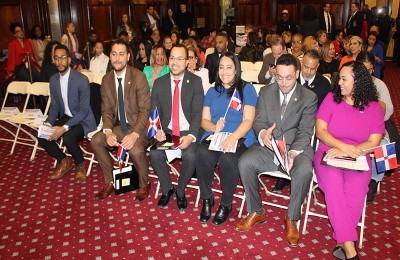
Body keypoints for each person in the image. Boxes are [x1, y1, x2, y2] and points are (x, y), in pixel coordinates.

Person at [235, 54, 317, 249]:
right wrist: (263, 134)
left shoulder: (309, 97)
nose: (284, 82)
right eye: (279, 77)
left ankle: (292, 218)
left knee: (304, 170)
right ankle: (257, 210)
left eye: (288, 77)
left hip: (296, 149)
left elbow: (306, 132)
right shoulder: (266, 91)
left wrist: (293, 153)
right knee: (245, 162)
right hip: (271, 147)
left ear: (297, 73)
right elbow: (259, 121)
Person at [313, 60, 384, 259]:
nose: (339, 83)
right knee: (334, 186)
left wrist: (349, 151)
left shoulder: (375, 108)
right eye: (339, 78)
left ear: (359, 82)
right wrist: (341, 147)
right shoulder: (331, 99)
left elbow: (374, 141)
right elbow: (321, 131)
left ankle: (343, 240)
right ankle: (350, 249)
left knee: (355, 192)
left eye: (344, 79)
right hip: (328, 153)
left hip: (359, 157)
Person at [196, 52, 257, 226]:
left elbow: (248, 120)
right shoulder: (212, 91)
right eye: (221, 67)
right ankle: (207, 199)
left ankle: (226, 204)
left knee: (228, 159)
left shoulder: (246, 89)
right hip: (216, 136)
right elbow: (204, 120)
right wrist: (214, 128)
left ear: (236, 69)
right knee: (202, 153)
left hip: (240, 136)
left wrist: (233, 138)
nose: (224, 71)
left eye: (229, 67)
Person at [91, 39, 151, 201]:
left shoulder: (138, 77)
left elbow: (145, 110)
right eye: (114, 54)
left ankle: (144, 183)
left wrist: (135, 134)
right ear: (110, 56)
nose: (117, 58)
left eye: (121, 54)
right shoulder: (106, 80)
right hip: (119, 126)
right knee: (96, 140)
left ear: (128, 56)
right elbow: (106, 110)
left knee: (135, 149)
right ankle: (110, 181)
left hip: (139, 126)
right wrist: (108, 130)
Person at [149, 44, 204, 211]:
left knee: (191, 156)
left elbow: (197, 114)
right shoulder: (159, 83)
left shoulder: (195, 82)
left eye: (180, 58)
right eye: (172, 58)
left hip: (187, 130)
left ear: (187, 62)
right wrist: (156, 129)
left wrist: (191, 136)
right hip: (167, 131)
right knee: (154, 153)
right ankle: (167, 190)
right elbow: (153, 111)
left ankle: (180, 192)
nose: (175, 62)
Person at [38, 44, 96, 183]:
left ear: (69, 60)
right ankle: (64, 160)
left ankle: (80, 164)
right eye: (56, 58)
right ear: (53, 60)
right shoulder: (53, 80)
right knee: (42, 135)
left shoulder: (81, 79)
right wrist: (48, 124)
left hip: (84, 119)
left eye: (63, 58)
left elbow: (84, 111)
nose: (60, 61)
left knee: (67, 136)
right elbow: (54, 107)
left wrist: (63, 127)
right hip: (67, 116)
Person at [356, 51, 393, 203]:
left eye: (370, 70)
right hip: (353, 127)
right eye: (363, 69)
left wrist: (375, 105)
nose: (367, 73)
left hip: (374, 127)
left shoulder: (379, 84)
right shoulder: (349, 82)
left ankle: (375, 180)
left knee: (385, 146)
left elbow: (388, 111)